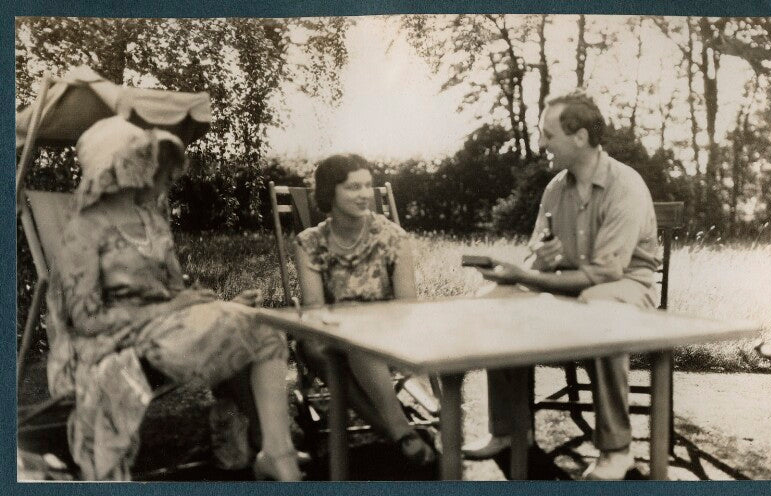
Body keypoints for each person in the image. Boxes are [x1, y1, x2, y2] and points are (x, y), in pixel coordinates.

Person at [46, 116, 302, 481]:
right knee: (250, 332)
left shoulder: (154, 223)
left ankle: (277, 452)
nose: (163, 174)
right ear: (117, 168)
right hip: (107, 341)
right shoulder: (84, 230)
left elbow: (173, 292)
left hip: (164, 329)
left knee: (261, 325)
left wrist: (216, 305)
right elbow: (86, 320)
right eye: (150, 161)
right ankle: (267, 447)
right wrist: (175, 308)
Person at [461, 90, 660, 480]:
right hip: (570, 286)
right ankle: (508, 432)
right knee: (493, 301)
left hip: (626, 288)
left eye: (548, 135)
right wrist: (532, 264)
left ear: (580, 136)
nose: (540, 144)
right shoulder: (556, 188)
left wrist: (527, 275)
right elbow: (538, 254)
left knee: (600, 308)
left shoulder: (625, 185)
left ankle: (616, 450)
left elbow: (606, 275)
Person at [293, 154, 437, 466]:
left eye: (367, 186)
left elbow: (406, 306)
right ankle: (400, 432)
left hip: (388, 330)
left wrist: (364, 321)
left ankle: (397, 433)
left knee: (360, 342)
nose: (364, 194)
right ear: (330, 192)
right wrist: (344, 321)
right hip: (331, 332)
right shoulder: (309, 242)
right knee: (314, 347)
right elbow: (314, 308)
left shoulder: (393, 237)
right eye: (352, 187)